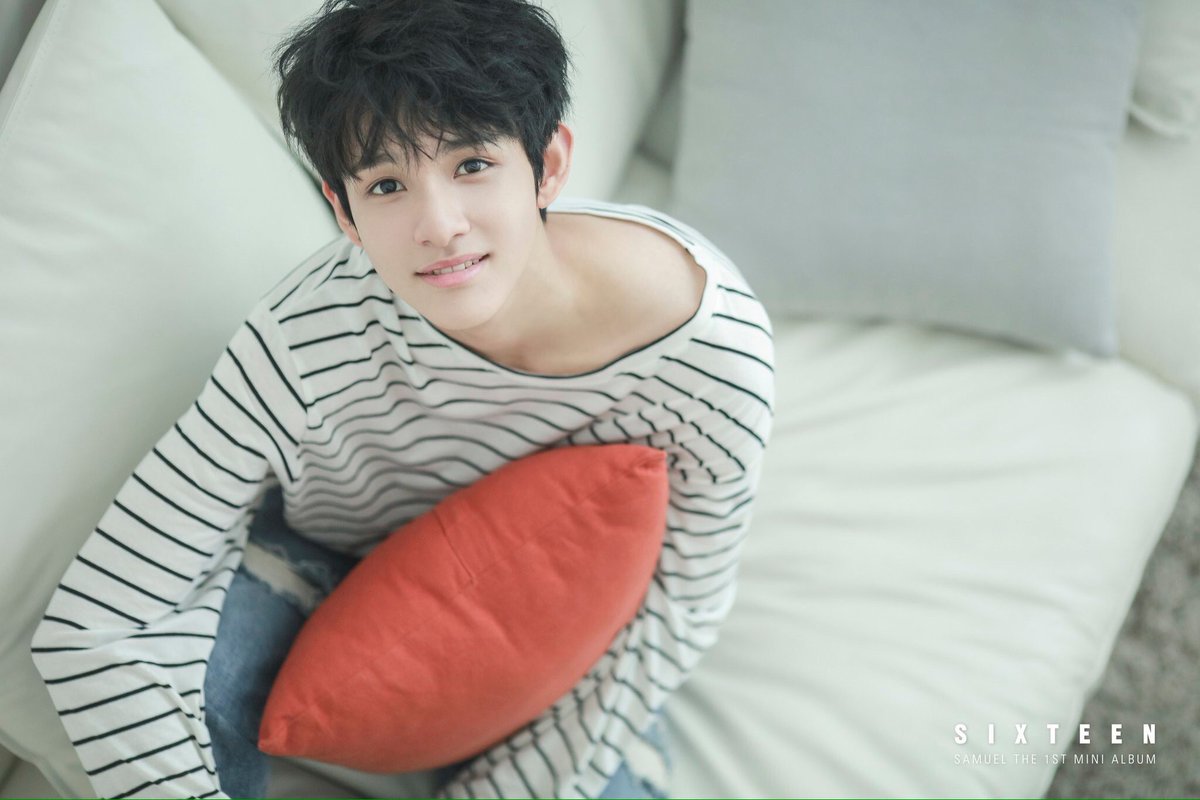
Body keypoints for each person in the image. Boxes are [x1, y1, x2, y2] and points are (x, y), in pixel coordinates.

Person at [30, 0, 775, 797]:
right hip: (326, 570)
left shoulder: (710, 356)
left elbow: (677, 610)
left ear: (549, 165)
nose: (439, 225)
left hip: (549, 622)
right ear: (344, 211)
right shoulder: (303, 335)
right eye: (387, 184)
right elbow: (94, 623)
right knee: (184, 695)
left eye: (472, 165)